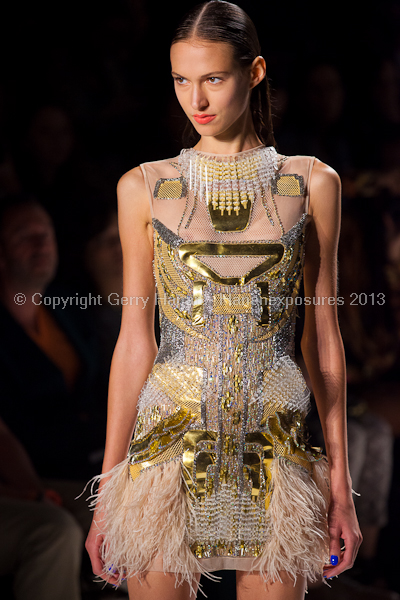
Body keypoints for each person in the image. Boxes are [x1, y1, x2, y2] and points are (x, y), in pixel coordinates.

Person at [85, 2, 362, 599]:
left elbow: (323, 337)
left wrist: (340, 481)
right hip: (166, 445)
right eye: (182, 80)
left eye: (214, 78)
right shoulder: (145, 186)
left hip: (278, 448)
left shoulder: (313, 182)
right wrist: (108, 493)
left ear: (255, 71)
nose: (197, 100)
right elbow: (136, 337)